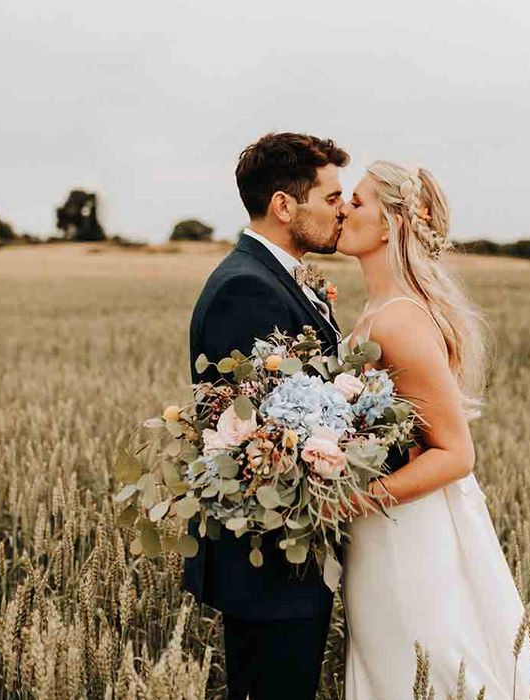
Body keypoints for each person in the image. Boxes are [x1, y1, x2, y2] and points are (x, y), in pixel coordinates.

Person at [335, 161, 530, 699]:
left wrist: (351, 503)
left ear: (391, 223)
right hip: (382, 526)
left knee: (426, 666)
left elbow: (456, 453)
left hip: (406, 530)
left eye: (359, 201)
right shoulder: (376, 310)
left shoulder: (399, 319)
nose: (344, 207)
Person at [183, 132, 348, 700]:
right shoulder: (246, 289)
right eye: (331, 198)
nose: (343, 210)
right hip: (272, 555)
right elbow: (263, 434)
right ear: (284, 205)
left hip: (285, 551)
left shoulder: (273, 276)